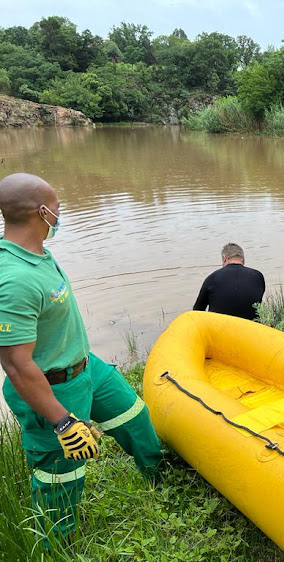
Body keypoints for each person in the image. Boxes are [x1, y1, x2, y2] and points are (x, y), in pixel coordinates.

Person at [0, 173, 164, 540]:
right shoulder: (13, 280)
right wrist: (62, 422)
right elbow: (15, 364)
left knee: (134, 416)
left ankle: (159, 477)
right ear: (42, 212)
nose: (61, 213)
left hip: (87, 366)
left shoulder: (38, 252)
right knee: (62, 474)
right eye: (57, 206)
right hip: (52, 387)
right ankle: (57, 542)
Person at [193, 243, 265, 321]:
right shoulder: (258, 276)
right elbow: (258, 302)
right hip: (251, 329)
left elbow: (197, 311)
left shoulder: (212, 278)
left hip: (220, 330)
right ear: (243, 259)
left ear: (224, 258)